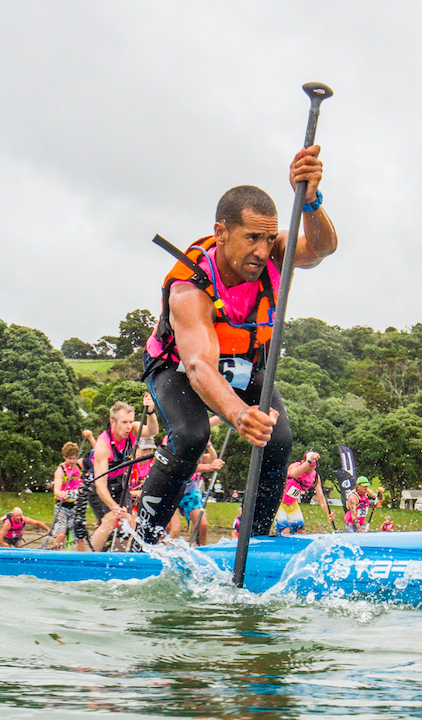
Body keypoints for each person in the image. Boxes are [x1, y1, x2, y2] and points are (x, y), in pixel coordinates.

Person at [134, 146, 338, 546]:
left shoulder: (272, 253)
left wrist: (311, 201)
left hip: (244, 363)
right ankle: (143, 541)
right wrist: (238, 413)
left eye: (267, 237)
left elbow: (320, 249)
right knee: (191, 436)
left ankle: (257, 543)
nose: (262, 250)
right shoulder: (189, 288)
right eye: (251, 238)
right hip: (177, 368)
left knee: (277, 440)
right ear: (222, 232)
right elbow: (197, 367)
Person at [85, 396, 158, 551]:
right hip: (99, 487)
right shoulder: (103, 445)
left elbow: (153, 431)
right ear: (113, 422)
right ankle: (88, 559)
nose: (128, 426)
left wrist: (151, 411)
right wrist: (113, 506)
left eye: (131, 422)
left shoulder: (133, 430)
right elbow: (100, 485)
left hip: (120, 483)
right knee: (111, 519)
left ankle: (117, 559)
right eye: (124, 422)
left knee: (129, 523)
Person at [168, 440, 223, 545]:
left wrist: (208, 444)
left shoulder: (196, 446)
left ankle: (201, 550)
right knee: (173, 529)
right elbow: (181, 466)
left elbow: (212, 458)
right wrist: (209, 467)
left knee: (202, 524)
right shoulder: (173, 439)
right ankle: (164, 552)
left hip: (190, 486)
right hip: (171, 487)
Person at [275, 451, 334, 535]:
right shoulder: (295, 466)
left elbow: (320, 497)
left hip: (292, 504)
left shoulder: (315, 476)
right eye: (309, 466)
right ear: (303, 462)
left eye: (313, 466)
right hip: (279, 502)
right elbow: (293, 474)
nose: (310, 469)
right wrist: (308, 461)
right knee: (286, 531)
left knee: (301, 532)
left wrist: (328, 512)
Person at [51, 442, 85, 550]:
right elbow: (56, 490)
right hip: (62, 507)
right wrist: (60, 493)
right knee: (61, 534)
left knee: (80, 536)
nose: (72, 461)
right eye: (69, 458)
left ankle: (82, 559)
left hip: (75, 505)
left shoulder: (79, 465)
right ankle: (54, 557)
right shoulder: (60, 470)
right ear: (64, 457)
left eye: (74, 458)